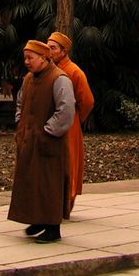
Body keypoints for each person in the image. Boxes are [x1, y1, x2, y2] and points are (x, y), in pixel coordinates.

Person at [7, 39, 75, 243]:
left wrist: (48, 131)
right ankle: (36, 219)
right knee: (30, 181)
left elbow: (66, 110)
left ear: (44, 58)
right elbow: (20, 102)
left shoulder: (59, 79)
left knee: (48, 184)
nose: (27, 62)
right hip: (28, 140)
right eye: (25, 58)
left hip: (49, 142)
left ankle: (53, 227)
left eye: (31, 58)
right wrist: (20, 124)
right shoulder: (28, 79)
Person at [48, 31, 95, 211]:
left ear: (64, 51)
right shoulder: (49, 70)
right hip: (52, 122)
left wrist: (75, 117)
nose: (49, 51)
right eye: (48, 47)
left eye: (53, 48)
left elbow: (87, 101)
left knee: (69, 161)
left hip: (70, 123)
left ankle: (67, 201)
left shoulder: (74, 72)